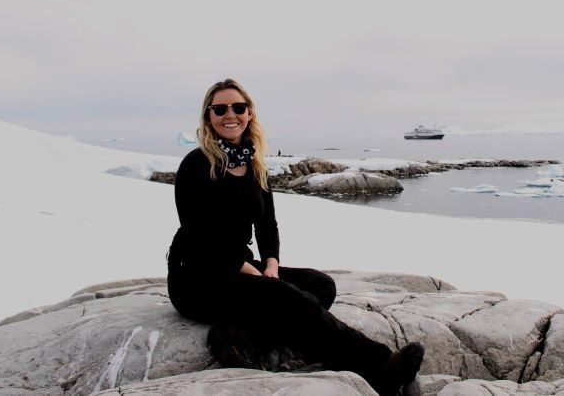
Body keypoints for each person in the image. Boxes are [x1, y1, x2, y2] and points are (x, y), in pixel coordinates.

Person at [167, 78, 424, 395]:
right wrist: (252, 272)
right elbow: (197, 232)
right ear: (209, 116)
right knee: (286, 298)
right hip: (197, 276)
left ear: (249, 114)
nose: (229, 114)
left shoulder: (253, 165)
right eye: (220, 108)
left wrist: (271, 265)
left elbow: (267, 225)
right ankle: (381, 367)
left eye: (238, 107)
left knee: (321, 286)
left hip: (240, 269)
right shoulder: (196, 165)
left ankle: (235, 335)